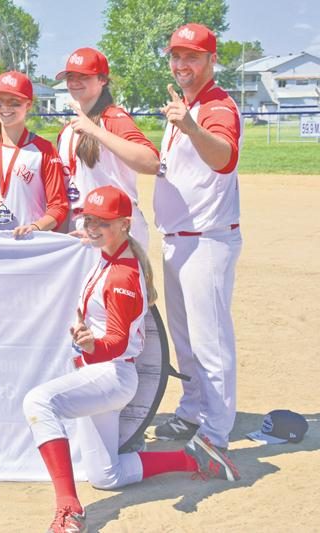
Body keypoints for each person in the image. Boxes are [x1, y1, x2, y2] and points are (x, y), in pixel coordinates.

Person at [22, 186, 239, 533]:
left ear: (124, 225)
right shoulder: (110, 253)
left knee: (38, 402)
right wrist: (91, 235)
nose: (92, 228)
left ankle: (69, 509)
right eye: (88, 219)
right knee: (106, 476)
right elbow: (96, 242)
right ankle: (192, 457)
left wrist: (93, 345)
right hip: (102, 374)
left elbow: (117, 345)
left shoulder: (121, 273)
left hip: (110, 376)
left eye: (102, 223)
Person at [149, 24, 243, 453]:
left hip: (207, 240)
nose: (182, 64)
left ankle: (216, 431)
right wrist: (184, 121)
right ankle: (192, 412)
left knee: (211, 342)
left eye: (192, 57)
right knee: (186, 341)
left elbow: (223, 158)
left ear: (211, 60)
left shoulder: (217, 106)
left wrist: (190, 126)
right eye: (176, 56)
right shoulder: (184, 105)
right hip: (178, 239)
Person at [56, 48, 159, 250]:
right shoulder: (67, 130)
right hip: (80, 227)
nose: (75, 82)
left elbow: (151, 162)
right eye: (70, 76)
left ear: (102, 80)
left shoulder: (112, 118)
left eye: (83, 76)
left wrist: (95, 131)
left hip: (113, 226)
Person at [0, 71, 68, 237]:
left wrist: (36, 227)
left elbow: (59, 206)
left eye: (14, 102)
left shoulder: (43, 150)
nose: (5, 108)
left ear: (28, 105)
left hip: (26, 242)